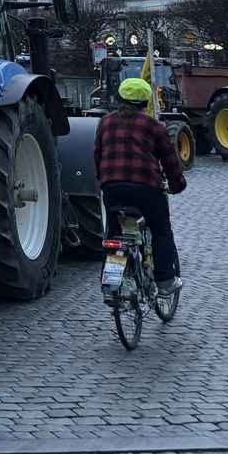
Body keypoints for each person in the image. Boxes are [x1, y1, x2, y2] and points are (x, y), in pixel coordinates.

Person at [93, 77, 187, 296]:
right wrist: (177, 184)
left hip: (112, 186)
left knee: (114, 235)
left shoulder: (106, 122)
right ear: (145, 102)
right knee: (161, 230)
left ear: (119, 98)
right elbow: (169, 159)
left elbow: (97, 154)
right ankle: (165, 280)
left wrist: (105, 179)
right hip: (146, 187)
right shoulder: (153, 125)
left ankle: (111, 285)